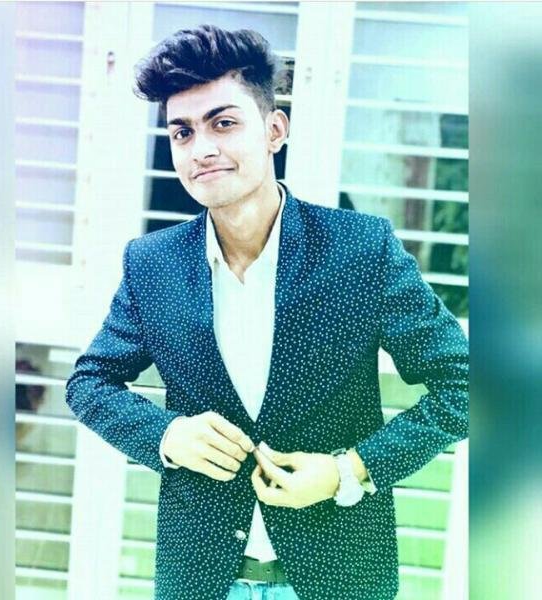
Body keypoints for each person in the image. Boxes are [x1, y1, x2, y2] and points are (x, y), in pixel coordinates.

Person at [65, 24, 468, 600]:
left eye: (223, 123)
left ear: (275, 129)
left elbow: (464, 385)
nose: (201, 149)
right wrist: (166, 433)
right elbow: (89, 384)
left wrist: (348, 471)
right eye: (182, 132)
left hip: (339, 577)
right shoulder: (152, 264)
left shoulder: (360, 250)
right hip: (201, 579)